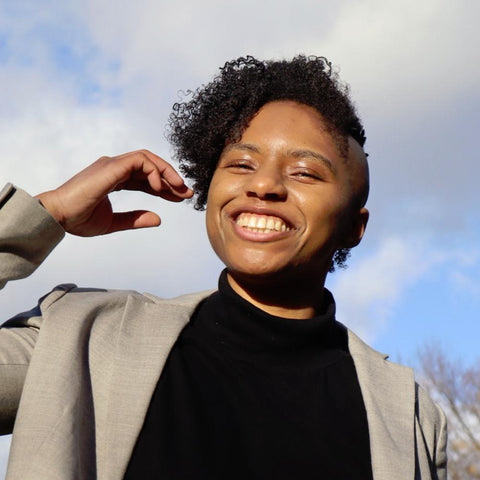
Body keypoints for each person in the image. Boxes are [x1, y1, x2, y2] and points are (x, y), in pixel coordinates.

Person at [0, 55, 446, 479]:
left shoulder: (408, 416)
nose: (264, 184)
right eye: (242, 164)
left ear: (354, 225)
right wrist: (45, 215)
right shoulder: (84, 336)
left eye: (305, 173)